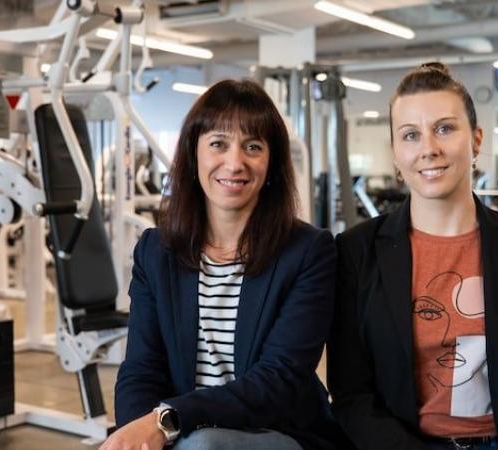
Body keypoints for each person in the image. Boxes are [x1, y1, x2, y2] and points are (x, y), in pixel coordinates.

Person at [327, 63, 498, 450]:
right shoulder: (356, 251)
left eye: (445, 128)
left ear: (477, 140)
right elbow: (351, 397)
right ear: (396, 154)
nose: (428, 148)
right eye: (410, 135)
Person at [100, 79, 340, 450]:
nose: (235, 162)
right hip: (182, 433)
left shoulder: (308, 251)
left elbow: (279, 381)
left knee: (204, 445)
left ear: (272, 163)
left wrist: (168, 420)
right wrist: (139, 434)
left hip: (277, 431)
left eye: (253, 147)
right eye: (218, 144)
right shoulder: (155, 250)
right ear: (193, 155)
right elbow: (140, 369)